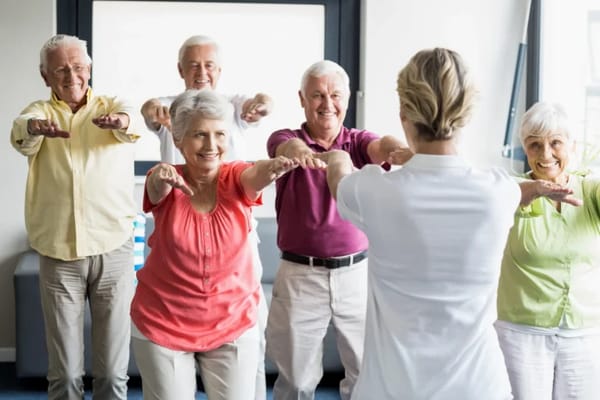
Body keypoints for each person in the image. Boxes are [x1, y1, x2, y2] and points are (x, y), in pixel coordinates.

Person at [316, 49, 581, 400]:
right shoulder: (497, 192)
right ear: (466, 115)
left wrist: (337, 157)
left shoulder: (373, 190)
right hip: (478, 388)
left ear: (404, 114)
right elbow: (518, 192)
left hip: (392, 390)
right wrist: (537, 188)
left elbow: (339, 183)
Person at [130, 89, 303, 400]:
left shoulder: (235, 176)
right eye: (199, 135)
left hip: (231, 322)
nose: (211, 146)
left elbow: (255, 175)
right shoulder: (165, 177)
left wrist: (273, 167)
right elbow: (156, 188)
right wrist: (162, 178)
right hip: (164, 321)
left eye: (219, 134)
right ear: (179, 139)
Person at [265, 59, 409, 400]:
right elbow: (288, 149)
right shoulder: (285, 138)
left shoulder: (357, 142)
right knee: (297, 382)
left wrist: (399, 151)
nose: (327, 104)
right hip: (300, 275)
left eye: (335, 95)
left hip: (356, 273)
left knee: (365, 373)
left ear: (346, 99)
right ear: (302, 99)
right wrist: (305, 155)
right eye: (317, 95)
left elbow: (381, 145)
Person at [140, 34, 272, 399]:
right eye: (193, 65)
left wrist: (264, 108)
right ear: (180, 70)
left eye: (209, 65)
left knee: (250, 342)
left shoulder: (231, 106)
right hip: (179, 240)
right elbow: (150, 108)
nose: (201, 72)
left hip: (236, 241)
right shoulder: (170, 108)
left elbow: (259, 106)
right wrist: (150, 110)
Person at [10, 34, 140, 400]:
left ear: (90, 67)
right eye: (61, 69)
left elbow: (131, 121)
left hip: (113, 249)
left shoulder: (112, 105)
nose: (72, 76)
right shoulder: (38, 112)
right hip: (58, 254)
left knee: (113, 376)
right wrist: (36, 129)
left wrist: (120, 120)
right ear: (45, 75)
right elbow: (23, 129)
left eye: (79, 66)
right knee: (65, 377)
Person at [495, 101, 600, 400]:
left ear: (572, 145)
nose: (546, 154)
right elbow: (496, 194)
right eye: (534, 145)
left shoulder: (590, 191)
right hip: (522, 334)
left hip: (584, 334)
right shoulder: (511, 190)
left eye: (555, 143)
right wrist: (536, 190)